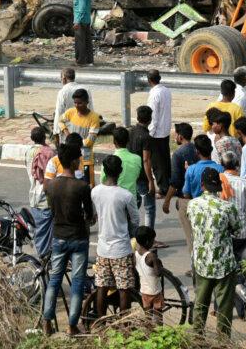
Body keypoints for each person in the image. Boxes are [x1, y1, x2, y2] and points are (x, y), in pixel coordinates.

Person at [41, 143, 95, 337]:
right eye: (79, 158)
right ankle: (72, 325)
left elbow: (51, 209)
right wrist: (89, 217)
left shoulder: (51, 185)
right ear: (73, 162)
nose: (80, 161)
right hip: (79, 238)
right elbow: (89, 215)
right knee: (77, 282)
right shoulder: (81, 186)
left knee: (54, 280)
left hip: (59, 236)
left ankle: (47, 322)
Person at [188, 167, 241, 338]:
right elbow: (238, 230)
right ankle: (223, 341)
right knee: (224, 307)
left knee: (200, 303)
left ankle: (198, 338)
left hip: (201, 263)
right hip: (224, 263)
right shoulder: (227, 207)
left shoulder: (192, 204)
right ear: (219, 186)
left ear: (202, 185)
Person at [91, 155, 139, 317]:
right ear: (120, 172)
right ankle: (123, 325)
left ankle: (101, 322)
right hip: (121, 249)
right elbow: (135, 221)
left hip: (103, 249)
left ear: (104, 171)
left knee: (102, 287)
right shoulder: (126, 196)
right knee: (124, 289)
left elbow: (93, 215)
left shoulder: (95, 192)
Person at [160, 123, 199, 261]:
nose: (174, 137)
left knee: (190, 236)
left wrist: (167, 201)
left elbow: (175, 182)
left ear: (180, 136)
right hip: (200, 197)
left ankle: (196, 267)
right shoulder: (197, 149)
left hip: (186, 200)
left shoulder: (178, 154)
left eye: (175, 134)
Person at [25, 126, 56, 257]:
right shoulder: (49, 153)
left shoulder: (28, 152)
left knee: (39, 228)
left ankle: (43, 253)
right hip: (45, 196)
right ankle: (43, 256)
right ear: (44, 137)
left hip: (33, 195)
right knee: (46, 230)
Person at [218, 151, 246, 254]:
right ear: (237, 165)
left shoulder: (218, 181)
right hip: (242, 233)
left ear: (222, 164)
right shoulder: (244, 183)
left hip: (223, 232)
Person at [59, 88, 100, 184]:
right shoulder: (70, 112)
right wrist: (66, 132)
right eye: (75, 103)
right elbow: (60, 121)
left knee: (88, 186)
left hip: (86, 159)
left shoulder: (94, 118)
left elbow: (90, 141)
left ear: (87, 102)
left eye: (80, 103)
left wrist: (73, 143)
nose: (77, 106)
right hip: (71, 159)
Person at [146, 70, 172, 204]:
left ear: (149, 80)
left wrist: (150, 133)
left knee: (157, 163)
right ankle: (168, 185)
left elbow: (153, 115)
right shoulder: (166, 91)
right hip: (165, 130)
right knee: (165, 159)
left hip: (156, 133)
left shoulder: (154, 94)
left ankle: (163, 189)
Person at [128, 105, 156, 229]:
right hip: (142, 176)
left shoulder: (131, 132)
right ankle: (149, 237)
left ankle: (131, 231)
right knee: (149, 207)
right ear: (150, 119)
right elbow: (146, 159)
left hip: (131, 173)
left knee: (134, 205)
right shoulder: (146, 137)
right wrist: (151, 181)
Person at [135, 226, 165, 322]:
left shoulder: (135, 254)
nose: (154, 242)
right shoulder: (151, 256)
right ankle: (159, 333)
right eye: (153, 240)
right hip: (155, 292)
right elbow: (158, 273)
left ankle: (148, 331)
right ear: (148, 242)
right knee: (158, 317)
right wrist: (158, 263)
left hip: (144, 292)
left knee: (147, 316)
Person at [102, 127, 142, 195]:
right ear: (128, 140)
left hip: (114, 198)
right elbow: (137, 176)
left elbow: (102, 181)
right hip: (131, 198)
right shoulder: (137, 159)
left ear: (114, 142)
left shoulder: (108, 161)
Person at [179, 135, 221, 200]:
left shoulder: (191, 169)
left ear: (197, 151)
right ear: (211, 150)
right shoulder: (221, 169)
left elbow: (186, 194)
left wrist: (188, 172)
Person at [53, 67, 93, 136]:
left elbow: (59, 113)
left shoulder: (63, 92)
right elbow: (91, 109)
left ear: (64, 78)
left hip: (68, 132)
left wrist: (56, 132)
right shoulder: (86, 89)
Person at [72, 0, 93, 66]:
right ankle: (89, 61)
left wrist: (77, 21)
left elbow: (82, 7)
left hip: (80, 20)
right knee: (87, 41)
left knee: (80, 42)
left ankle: (81, 61)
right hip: (87, 19)